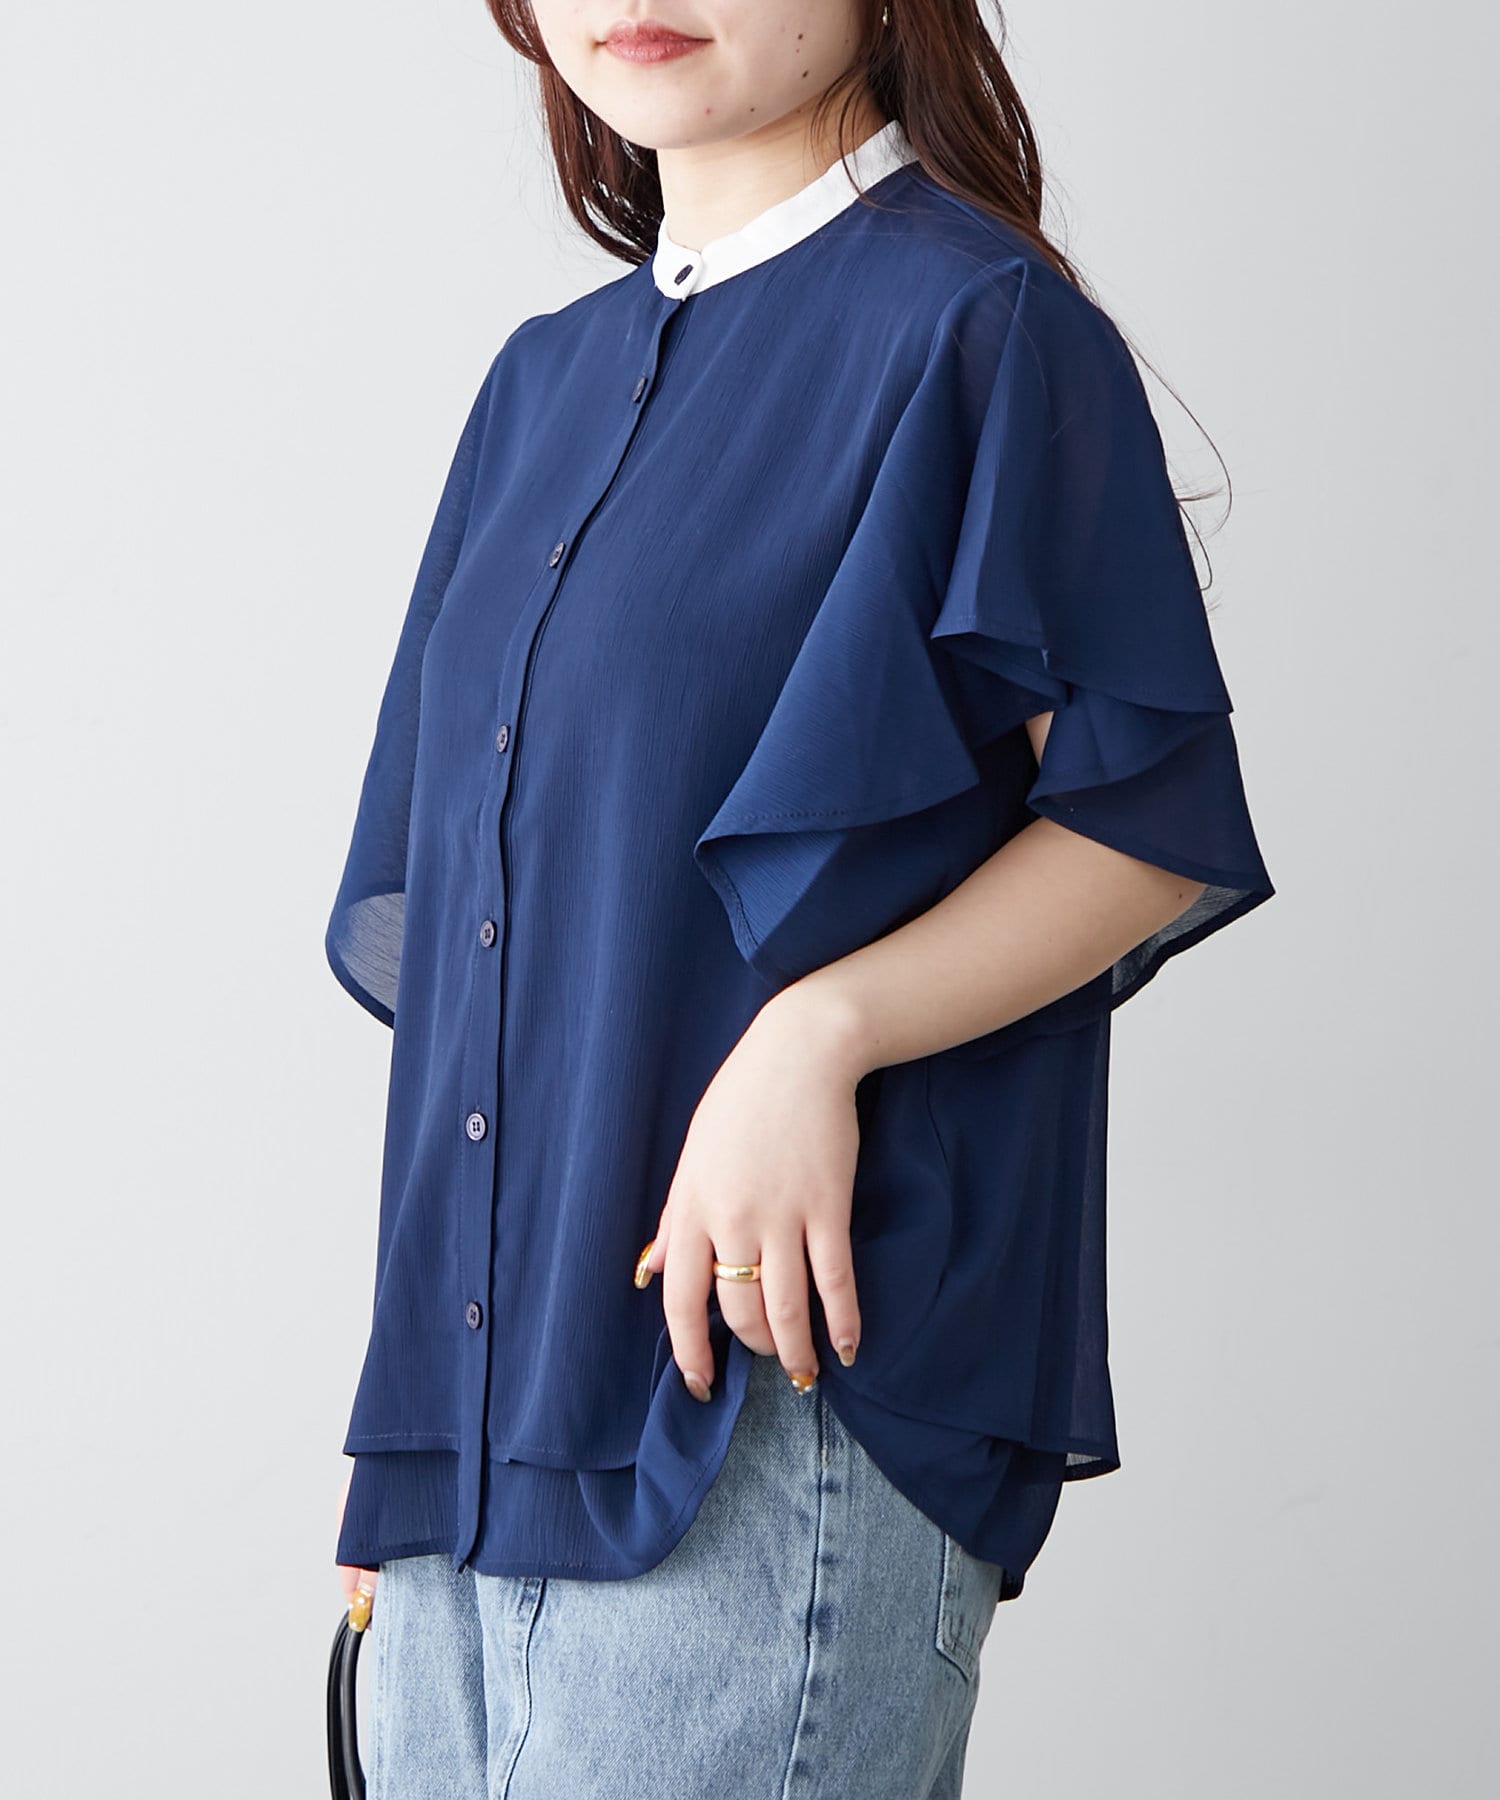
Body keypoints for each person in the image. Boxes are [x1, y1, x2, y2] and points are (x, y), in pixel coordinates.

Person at [324, 3, 1276, 1795]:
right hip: (477, 1461)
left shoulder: (980, 329)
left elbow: (1144, 826)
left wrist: (818, 1035)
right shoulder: (536, 383)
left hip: (773, 1411)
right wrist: (411, 1455)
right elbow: (472, 950)